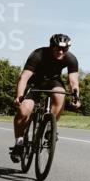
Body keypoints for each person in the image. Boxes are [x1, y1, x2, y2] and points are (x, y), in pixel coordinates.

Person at [10, 34, 81, 162]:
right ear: (51, 46)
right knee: (23, 111)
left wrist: (76, 97)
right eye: (57, 48)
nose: (61, 52)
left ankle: (50, 128)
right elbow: (24, 77)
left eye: (64, 49)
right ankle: (19, 143)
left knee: (60, 95)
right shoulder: (38, 54)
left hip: (53, 81)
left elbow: (73, 81)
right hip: (34, 82)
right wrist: (19, 95)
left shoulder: (71, 59)